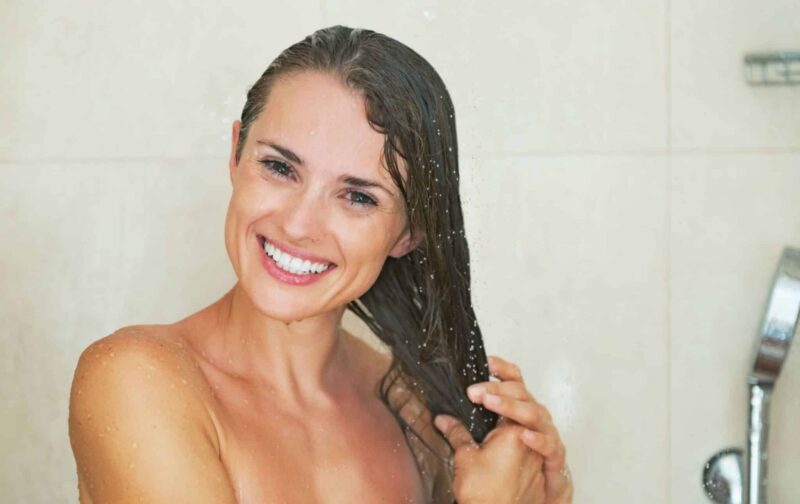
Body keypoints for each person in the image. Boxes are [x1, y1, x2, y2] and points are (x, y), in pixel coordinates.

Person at [68, 25, 573, 503]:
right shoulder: (136, 380)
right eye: (279, 167)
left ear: (409, 233)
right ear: (235, 156)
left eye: (357, 196)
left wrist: (542, 490)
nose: (299, 224)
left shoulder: (417, 411)